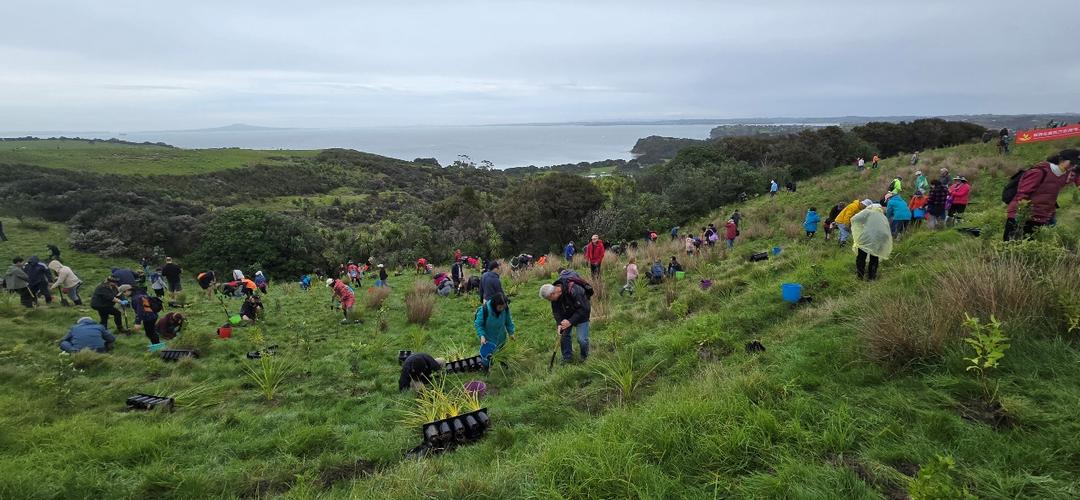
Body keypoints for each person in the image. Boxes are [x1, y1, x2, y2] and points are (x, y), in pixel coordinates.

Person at [1005, 149, 1080, 240]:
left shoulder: (1063, 174)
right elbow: (1022, 194)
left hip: (1041, 217)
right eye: (1071, 163)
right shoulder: (1039, 172)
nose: (1072, 166)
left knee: (1031, 247)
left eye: (1074, 164)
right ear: (1061, 160)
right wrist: (1021, 214)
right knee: (1012, 245)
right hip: (1022, 215)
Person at [539, 274, 592, 363]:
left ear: (552, 294)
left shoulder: (574, 290)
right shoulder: (554, 298)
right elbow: (556, 312)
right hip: (566, 316)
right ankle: (567, 358)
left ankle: (584, 357)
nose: (550, 301)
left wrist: (570, 321)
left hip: (582, 315)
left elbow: (584, 309)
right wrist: (559, 324)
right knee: (563, 336)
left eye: (549, 299)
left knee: (582, 340)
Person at [850, 203, 893, 280]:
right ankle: (872, 277)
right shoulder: (883, 216)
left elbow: (854, 219)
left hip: (867, 237)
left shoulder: (868, 212)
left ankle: (860, 276)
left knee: (861, 257)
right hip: (881, 238)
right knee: (874, 257)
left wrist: (863, 224)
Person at [474, 293, 515, 366]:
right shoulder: (485, 310)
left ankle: (505, 370)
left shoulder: (505, 309)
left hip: (501, 337)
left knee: (503, 356)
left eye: (504, 307)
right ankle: (486, 371)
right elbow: (478, 324)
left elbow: (508, 321)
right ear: (494, 305)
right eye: (500, 307)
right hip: (488, 339)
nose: (502, 309)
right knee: (488, 359)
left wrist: (511, 333)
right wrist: (482, 336)